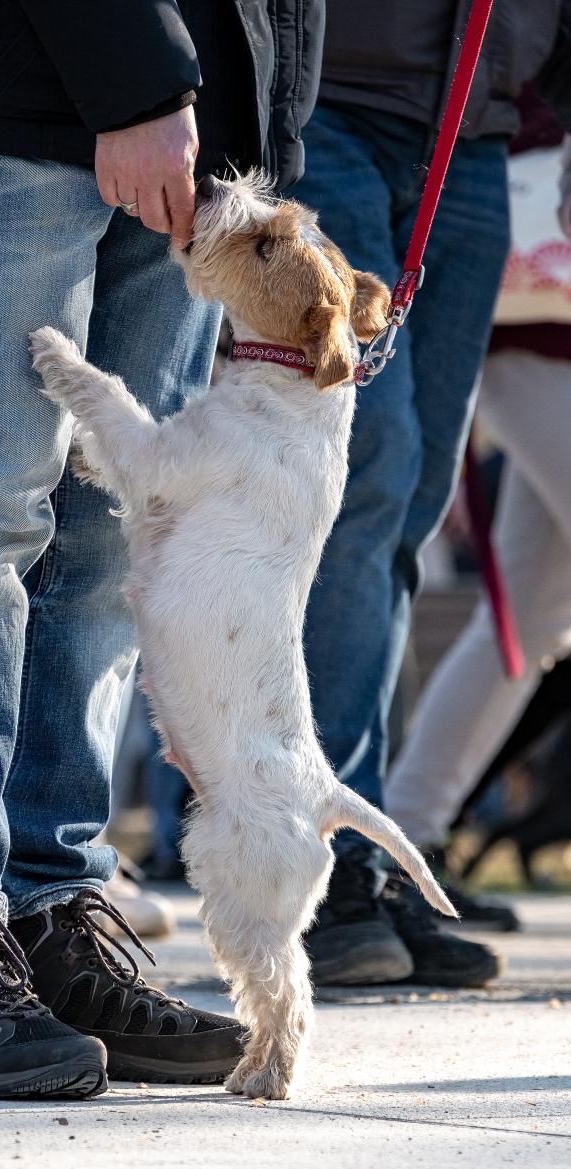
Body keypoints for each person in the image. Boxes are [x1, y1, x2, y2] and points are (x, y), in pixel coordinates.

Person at [0, 1, 328, 1099]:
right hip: (29, 77)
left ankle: (52, 911)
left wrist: (259, 120)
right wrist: (133, 81)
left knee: (112, 534)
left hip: (204, 121)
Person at [286, 0, 571, 988]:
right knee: (369, 480)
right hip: (333, 101)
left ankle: (376, 843)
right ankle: (321, 865)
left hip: (479, 129)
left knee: (409, 508)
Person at [385, 92, 571, 882]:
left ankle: (401, 841)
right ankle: (401, 839)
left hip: (538, 314)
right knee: (523, 624)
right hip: (531, 314)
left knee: (524, 622)